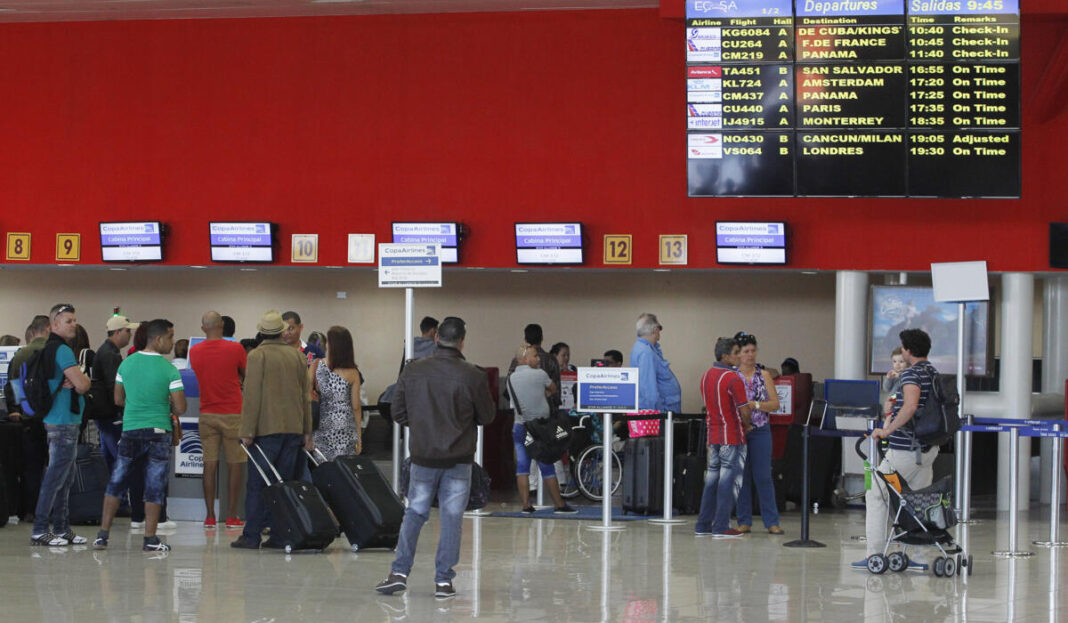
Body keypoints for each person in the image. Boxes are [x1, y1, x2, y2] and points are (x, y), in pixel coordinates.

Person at [375, 317, 496, 599]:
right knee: (452, 518)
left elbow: (397, 411)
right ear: (462, 342)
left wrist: (421, 427)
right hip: (459, 459)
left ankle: (399, 573)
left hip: (423, 457)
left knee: (415, 513)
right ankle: (443, 581)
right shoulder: (473, 375)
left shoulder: (414, 370)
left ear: (437, 338)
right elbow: (487, 416)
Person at [93, 319, 186, 553]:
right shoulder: (169, 369)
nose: (173, 342)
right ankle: (150, 539)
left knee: (117, 480)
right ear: (158, 339)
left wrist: (136, 405)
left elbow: (118, 399)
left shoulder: (126, 364)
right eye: (170, 337)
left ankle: (102, 536)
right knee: (155, 484)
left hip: (131, 429)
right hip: (159, 432)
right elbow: (181, 407)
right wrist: (164, 404)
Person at [857, 329, 941, 568]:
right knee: (918, 500)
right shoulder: (933, 372)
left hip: (905, 450)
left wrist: (887, 430)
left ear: (908, 350)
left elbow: (910, 407)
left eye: (903, 347)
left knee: (876, 492)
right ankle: (917, 557)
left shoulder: (912, 373)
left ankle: (875, 554)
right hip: (927, 448)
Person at [231, 310, 314, 550]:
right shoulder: (297, 356)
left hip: (265, 432)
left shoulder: (258, 356)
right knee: (283, 485)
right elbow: (305, 396)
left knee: (258, 485)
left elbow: (252, 396)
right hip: (293, 430)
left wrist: (246, 431)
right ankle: (280, 534)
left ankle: (252, 535)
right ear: (281, 331)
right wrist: (307, 432)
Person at [28, 304, 91, 546]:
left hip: (59, 419)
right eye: (68, 321)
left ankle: (62, 528)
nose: (73, 324)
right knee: (55, 477)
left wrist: (76, 379)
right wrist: (82, 378)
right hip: (63, 421)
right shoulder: (62, 350)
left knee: (64, 478)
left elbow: (75, 382)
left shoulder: (49, 348)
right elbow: (83, 385)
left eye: (74, 320)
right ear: (54, 324)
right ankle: (40, 529)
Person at [189, 311, 248, 529]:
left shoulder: (194, 351)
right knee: (235, 464)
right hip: (233, 412)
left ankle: (210, 516)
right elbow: (246, 373)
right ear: (222, 325)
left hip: (207, 413)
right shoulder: (236, 349)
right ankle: (231, 515)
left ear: (203, 328)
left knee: (209, 464)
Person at [508, 344, 576, 514]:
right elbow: (553, 388)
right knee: (546, 464)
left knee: (522, 466)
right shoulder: (540, 374)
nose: (538, 359)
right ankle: (559, 505)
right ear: (525, 359)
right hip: (540, 430)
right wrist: (544, 395)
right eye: (535, 356)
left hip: (520, 427)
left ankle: (526, 505)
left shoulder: (510, 378)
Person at [694, 337, 752, 538]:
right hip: (731, 436)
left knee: (711, 480)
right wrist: (747, 425)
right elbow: (744, 410)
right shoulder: (733, 378)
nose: (740, 356)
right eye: (736, 353)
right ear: (725, 356)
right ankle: (721, 526)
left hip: (713, 435)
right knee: (729, 481)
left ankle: (703, 524)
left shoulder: (706, 376)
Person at [732, 331, 784, 535]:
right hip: (739, 431)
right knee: (741, 476)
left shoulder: (764, 375)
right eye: (746, 351)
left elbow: (775, 404)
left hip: (761, 430)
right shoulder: (732, 376)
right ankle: (744, 520)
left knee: (763, 476)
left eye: (753, 351)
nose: (750, 355)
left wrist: (755, 405)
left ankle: (771, 521)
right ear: (738, 353)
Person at [6, 315, 51, 520]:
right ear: (48, 329)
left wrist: (18, 409)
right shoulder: (54, 352)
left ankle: (31, 509)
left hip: (28, 418)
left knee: (31, 466)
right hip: (53, 416)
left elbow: (14, 385)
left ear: (32, 332)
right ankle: (52, 509)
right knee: (55, 465)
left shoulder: (20, 355)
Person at [90, 315, 140, 475]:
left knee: (111, 461)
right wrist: (127, 407)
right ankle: (123, 491)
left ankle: (113, 490)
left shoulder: (108, 351)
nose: (130, 334)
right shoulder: (110, 355)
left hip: (106, 415)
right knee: (121, 460)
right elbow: (115, 387)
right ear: (117, 332)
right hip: (111, 414)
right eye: (127, 331)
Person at [311, 326, 362, 460]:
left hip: (322, 426)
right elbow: (356, 407)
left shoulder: (316, 365)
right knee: (344, 468)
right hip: (346, 428)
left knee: (323, 467)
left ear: (331, 345)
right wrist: (359, 437)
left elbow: (306, 394)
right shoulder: (353, 373)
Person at [630, 312, 682, 413]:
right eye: (659, 328)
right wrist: (658, 415)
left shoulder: (642, 348)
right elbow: (649, 391)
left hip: (661, 411)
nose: (659, 332)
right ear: (655, 330)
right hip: (661, 413)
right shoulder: (646, 352)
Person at [507, 324, 561, 409]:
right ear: (542, 338)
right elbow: (556, 386)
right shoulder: (551, 359)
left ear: (525, 339)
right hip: (546, 406)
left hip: (522, 406)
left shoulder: (517, 360)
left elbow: (509, 383)